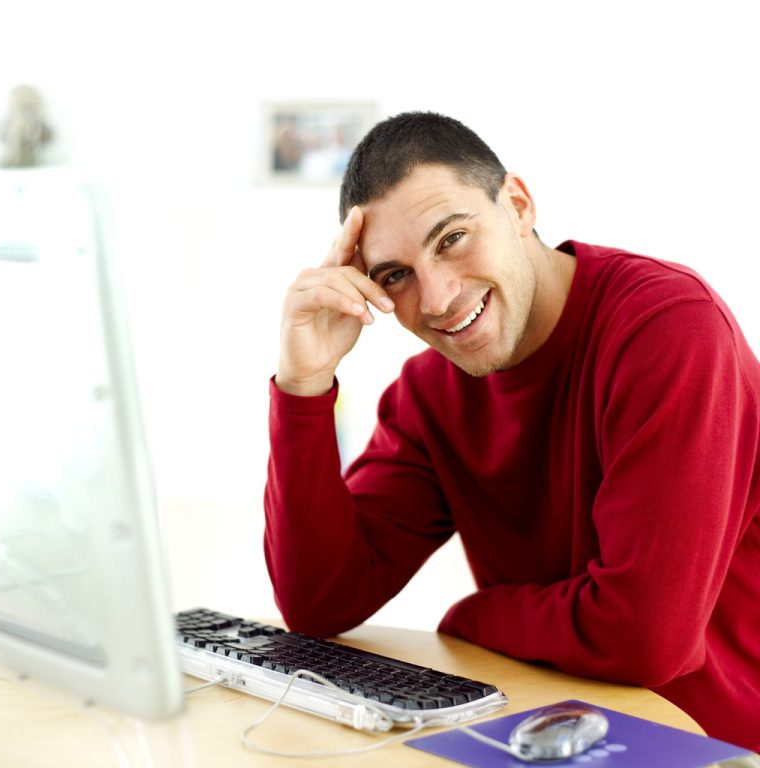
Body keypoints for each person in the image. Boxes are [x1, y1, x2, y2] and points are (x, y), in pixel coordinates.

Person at [264, 112, 760, 750]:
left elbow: (644, 639)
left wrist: (476, 615)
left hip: (710, 742)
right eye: (396, 276)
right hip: (542, 730)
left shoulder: (669, 330)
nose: (438, 297)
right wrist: (303, 385)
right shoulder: (429, 395)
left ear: (518, 205)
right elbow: (319, 604)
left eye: (452, 238)